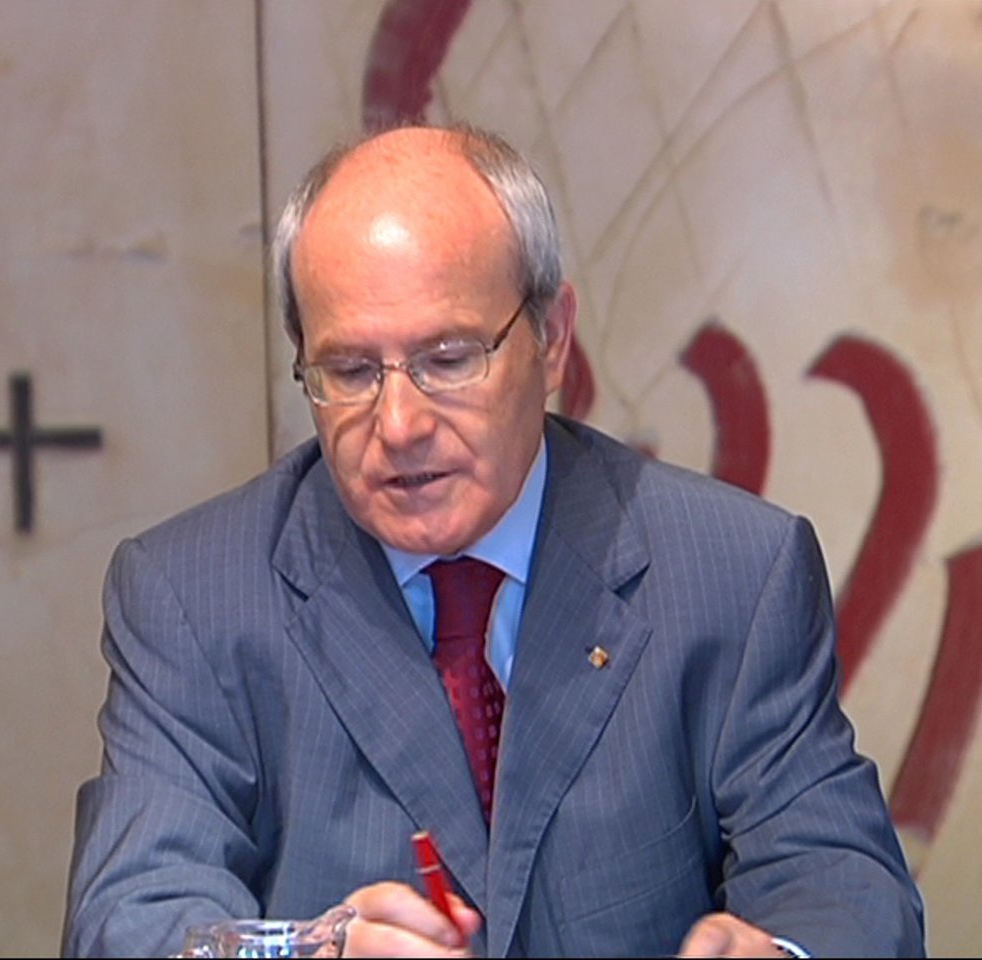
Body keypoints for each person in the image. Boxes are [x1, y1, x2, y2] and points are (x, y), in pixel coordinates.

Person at [61, 121, 925, 958]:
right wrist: (308, 955)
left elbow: (844, 885)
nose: (399, 425)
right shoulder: (194, 597)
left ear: (552, 340)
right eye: (350, 371)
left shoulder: (732, 571)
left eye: (448, 359)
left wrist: (782, 951)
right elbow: (128, 921)